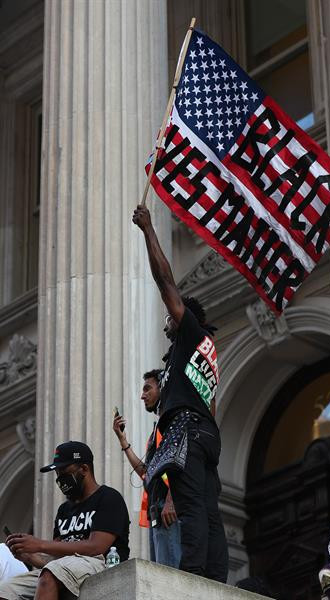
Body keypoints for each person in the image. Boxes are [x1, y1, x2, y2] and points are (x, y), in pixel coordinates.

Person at [132, 203, 228, 582]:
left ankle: (191, 576)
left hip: (187, 433)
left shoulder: (191, 335)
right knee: (208, 509)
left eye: (171, 317)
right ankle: (215, 577)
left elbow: (165, 281)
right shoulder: (202, 354)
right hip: (206, 433)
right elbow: (213, 404)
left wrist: (148, 230)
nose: (166, 322)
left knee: (190, 507)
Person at [0, 441, 130, 600]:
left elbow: (97, 546)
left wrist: (40, 544)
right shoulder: (64, 510)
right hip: (63, 569)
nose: (60, 479)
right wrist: (29, 557)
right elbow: (55, 559)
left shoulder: (108, 497)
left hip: (100, 563)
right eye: (57, 473)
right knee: (4, 591)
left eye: (64, 472)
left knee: (49, 575)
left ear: (84, 469)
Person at [112, 369, 181, 567]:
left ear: (163, 388)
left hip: (166, 509)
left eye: (147, 389)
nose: (142, 395)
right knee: (161, 571)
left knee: (170, 573)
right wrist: (123, 440)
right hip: (157, 511)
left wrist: (171, 499)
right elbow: (145, 472)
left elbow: (180, 462)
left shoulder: (172, 423)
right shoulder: (157, 430)